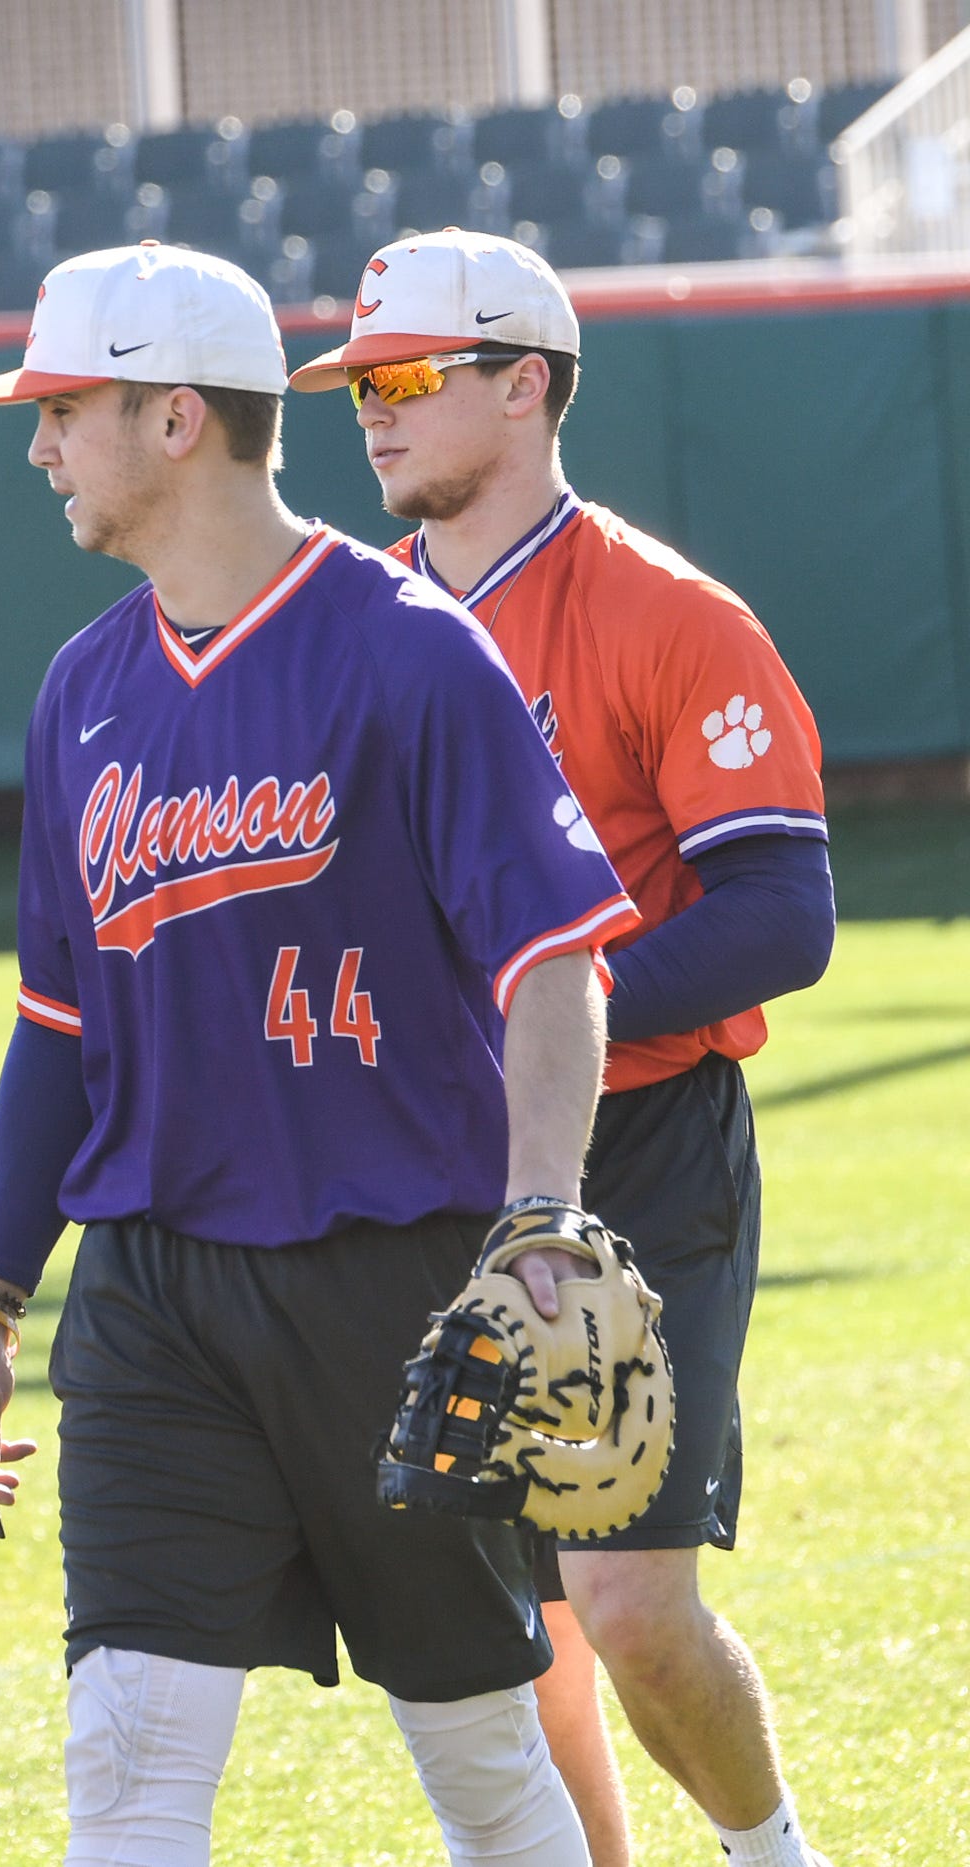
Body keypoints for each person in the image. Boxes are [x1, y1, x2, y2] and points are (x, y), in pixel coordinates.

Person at [0, 242, 646, 1866]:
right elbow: (57, 1028)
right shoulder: (87, 689)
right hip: (153, 1294)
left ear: (176, 416)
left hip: (393, 1283)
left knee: (478, 1749)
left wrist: (541, 1210)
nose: (37, 445)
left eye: (62, 409)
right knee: (125, 1753)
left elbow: (553, 959)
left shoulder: (407, 648)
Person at [292, 228, 835, 1867]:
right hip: (432, 1165)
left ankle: (774, 1855)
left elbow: (778, 917)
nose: (371, 410)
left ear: (526, 383)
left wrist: (541, 1019)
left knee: (629, 1604)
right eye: (354, 383)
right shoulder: (351, 629)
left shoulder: (666, 614)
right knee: (506, 1633)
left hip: (641, 1148)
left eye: (405, 374)